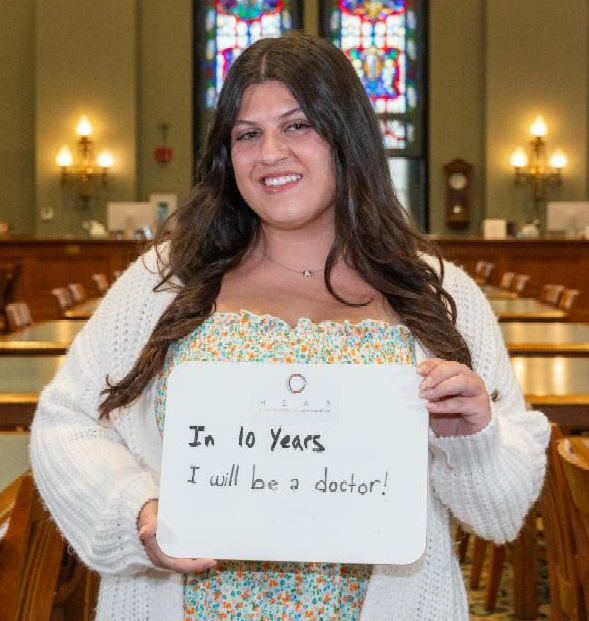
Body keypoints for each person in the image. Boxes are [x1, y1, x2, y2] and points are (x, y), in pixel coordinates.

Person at [30, 32, 549, 620]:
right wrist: (138, 514)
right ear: (228, 155)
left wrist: (471, 438)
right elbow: (67, 420)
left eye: (298, 126)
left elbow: (502, 513)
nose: (270, 153)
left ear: (347, 137)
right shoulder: (164, 283)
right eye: (247, 134)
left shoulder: (437, 293)